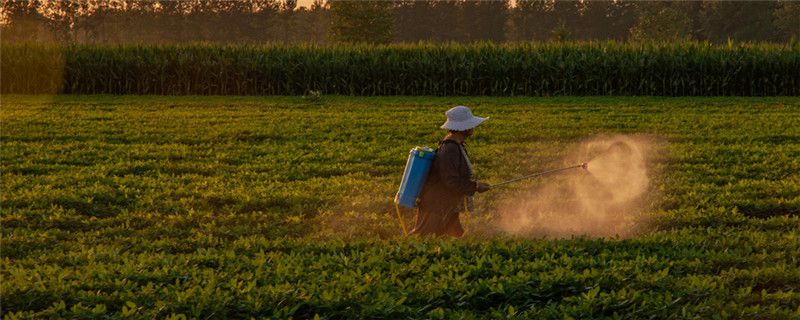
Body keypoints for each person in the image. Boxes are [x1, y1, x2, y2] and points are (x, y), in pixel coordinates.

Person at [410, 106, 491, 237]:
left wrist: (474, 186)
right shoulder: (450, 149)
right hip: (436, 206)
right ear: (464, 127)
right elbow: (451, 181)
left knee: (455, 236)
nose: (473, 128)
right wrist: (475, 186)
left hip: (447, 204)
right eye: (471, 125)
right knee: (423, 239)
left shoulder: (455, 144)